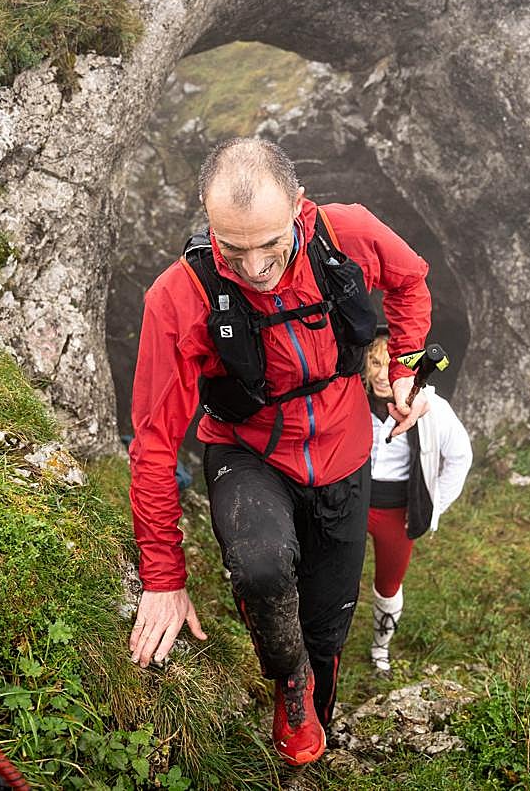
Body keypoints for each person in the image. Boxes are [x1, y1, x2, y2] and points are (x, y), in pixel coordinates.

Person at [127, 137, 432, 766]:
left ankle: (316, 709)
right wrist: (162, 577)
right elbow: (155, 443)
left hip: (345, 452)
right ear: (207, 218)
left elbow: (411, 282)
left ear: (298, 204)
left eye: (271, 242)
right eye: (233, 248)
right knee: (262, 568)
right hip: (249, 454)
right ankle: (289, 683)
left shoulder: (346, 234)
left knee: (329, 618)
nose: (257, 266)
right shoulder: (178, 296)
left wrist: (403, 365)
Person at [365, 329, 472, 674]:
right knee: (330, 575)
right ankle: (321, 638)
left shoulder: (432, 407)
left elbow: (460, 456)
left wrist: (433, 506)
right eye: (375, 362)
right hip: (350, 503)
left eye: (391, 364)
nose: (382, 373)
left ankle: (380, 647)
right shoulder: (349, 399)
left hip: (398, 510)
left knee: (388, 584)